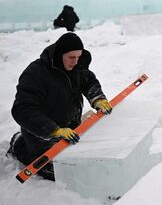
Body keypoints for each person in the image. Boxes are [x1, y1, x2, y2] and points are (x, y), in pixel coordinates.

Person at [8, 33, 112, 181]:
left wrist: (97, 99)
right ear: (60, 54)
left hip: (71, 129)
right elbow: (22, 109)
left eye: (78, 56)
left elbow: (88, 81)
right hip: (42, 136)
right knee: (63, 173)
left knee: (86, 164)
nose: (76, 62)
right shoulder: (36, 73)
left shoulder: (77, 65)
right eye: (71, 57)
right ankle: (19, 145)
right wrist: (54, 130)